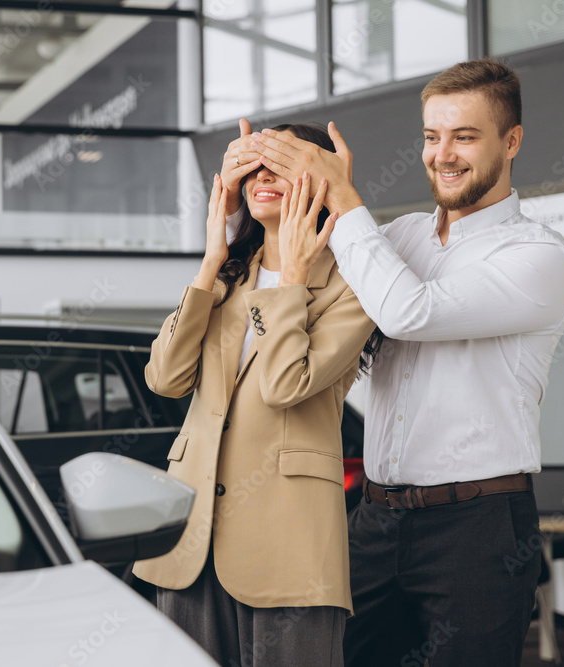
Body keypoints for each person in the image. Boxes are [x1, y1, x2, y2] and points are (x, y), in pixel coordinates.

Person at [242, 59, 564, 666]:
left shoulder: (539, 256)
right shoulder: (395, 239)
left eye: (465, 136)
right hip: (375, 519)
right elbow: (297, 293)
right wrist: (268, 187)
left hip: (477, 530)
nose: (442, 155)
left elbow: (409, 312)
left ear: (512, 140)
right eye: (431, 136)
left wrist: (342, 196)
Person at [133, 123, 379, 667]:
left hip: (289, 545)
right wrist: (209, 262)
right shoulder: (227, 275)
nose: (264, 174)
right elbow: (165, 378)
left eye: (284, 163)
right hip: (191, 540)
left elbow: (283, 384)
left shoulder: (355, 284)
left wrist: (291, 278)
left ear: (321, 181)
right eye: (256, 163)